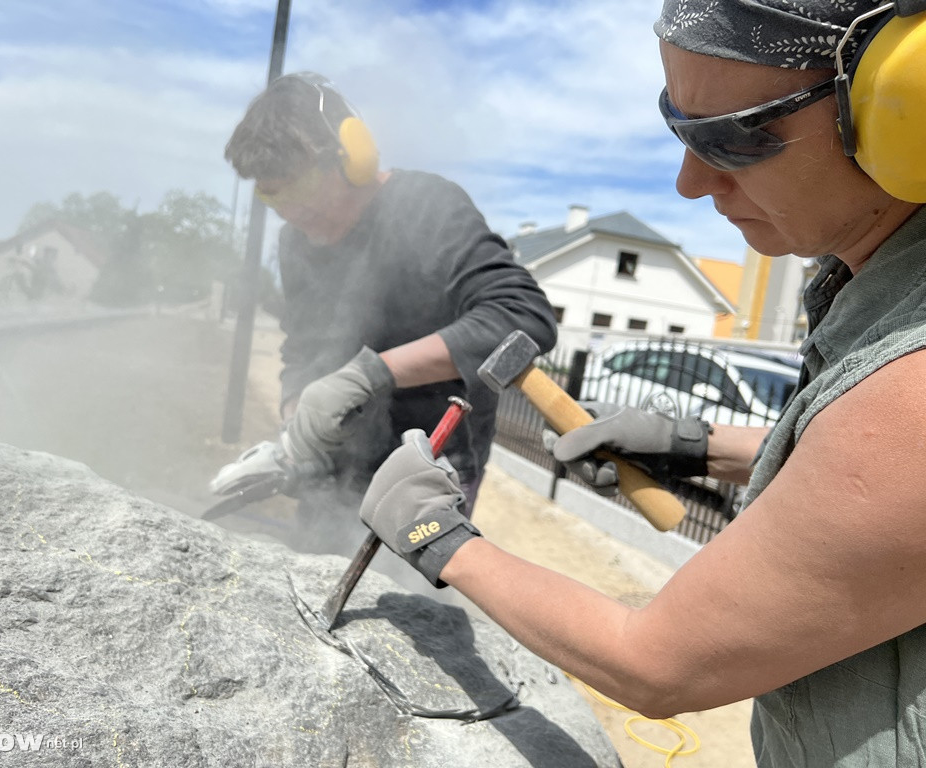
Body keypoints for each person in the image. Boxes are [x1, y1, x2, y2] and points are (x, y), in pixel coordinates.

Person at [357, 1, 926, 765]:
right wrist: (696, 447)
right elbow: (863, 476)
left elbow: (657, 663)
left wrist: (438, 534)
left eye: (730, 137)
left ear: (905, 106)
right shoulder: (876, 300)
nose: (691, 182)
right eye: (677, 126)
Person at [216, 72, 558, 555]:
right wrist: (297, 427)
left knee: (399, 601)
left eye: (302, 185)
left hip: (432, 464)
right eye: (270, 195)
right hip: (338, 462)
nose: (290, 210)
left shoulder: (426, 206)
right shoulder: (297, 239)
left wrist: (370, 374)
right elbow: (303, 345)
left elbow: (523, 317)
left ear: (353, 154)